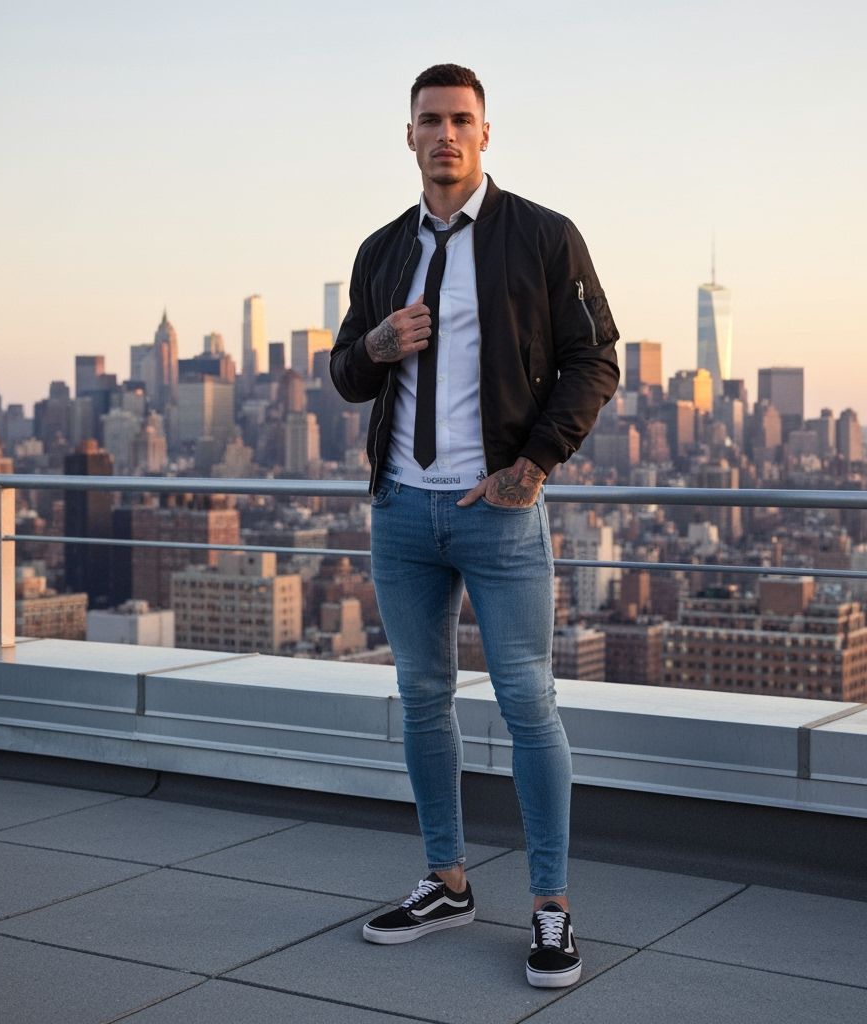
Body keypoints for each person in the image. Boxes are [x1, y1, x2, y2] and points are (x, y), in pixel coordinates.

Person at [330, 63, 619, 988]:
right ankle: (446, 879)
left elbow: (593, 359)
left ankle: (549, 907)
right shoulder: (382, 251)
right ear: (407, 136)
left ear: (486, 134)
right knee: (422, 697)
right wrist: (380, 343)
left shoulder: (542, 237)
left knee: (528, 704)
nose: (444, 135)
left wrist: (533, 466)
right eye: (429, 121)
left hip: (497, 512)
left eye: (461, 120)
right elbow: (345, 370)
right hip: (401, 510)